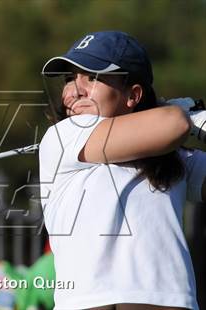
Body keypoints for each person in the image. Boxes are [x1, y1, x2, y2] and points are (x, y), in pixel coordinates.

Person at [39, 31, 206, 310]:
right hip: (89, 304)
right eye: (70, 78)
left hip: (168, 302)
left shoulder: (175, 158)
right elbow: (173, 125)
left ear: (133, 95)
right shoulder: (63, 136)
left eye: (92, 77)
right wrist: (181, 115)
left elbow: (171, 129)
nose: (75, 89)